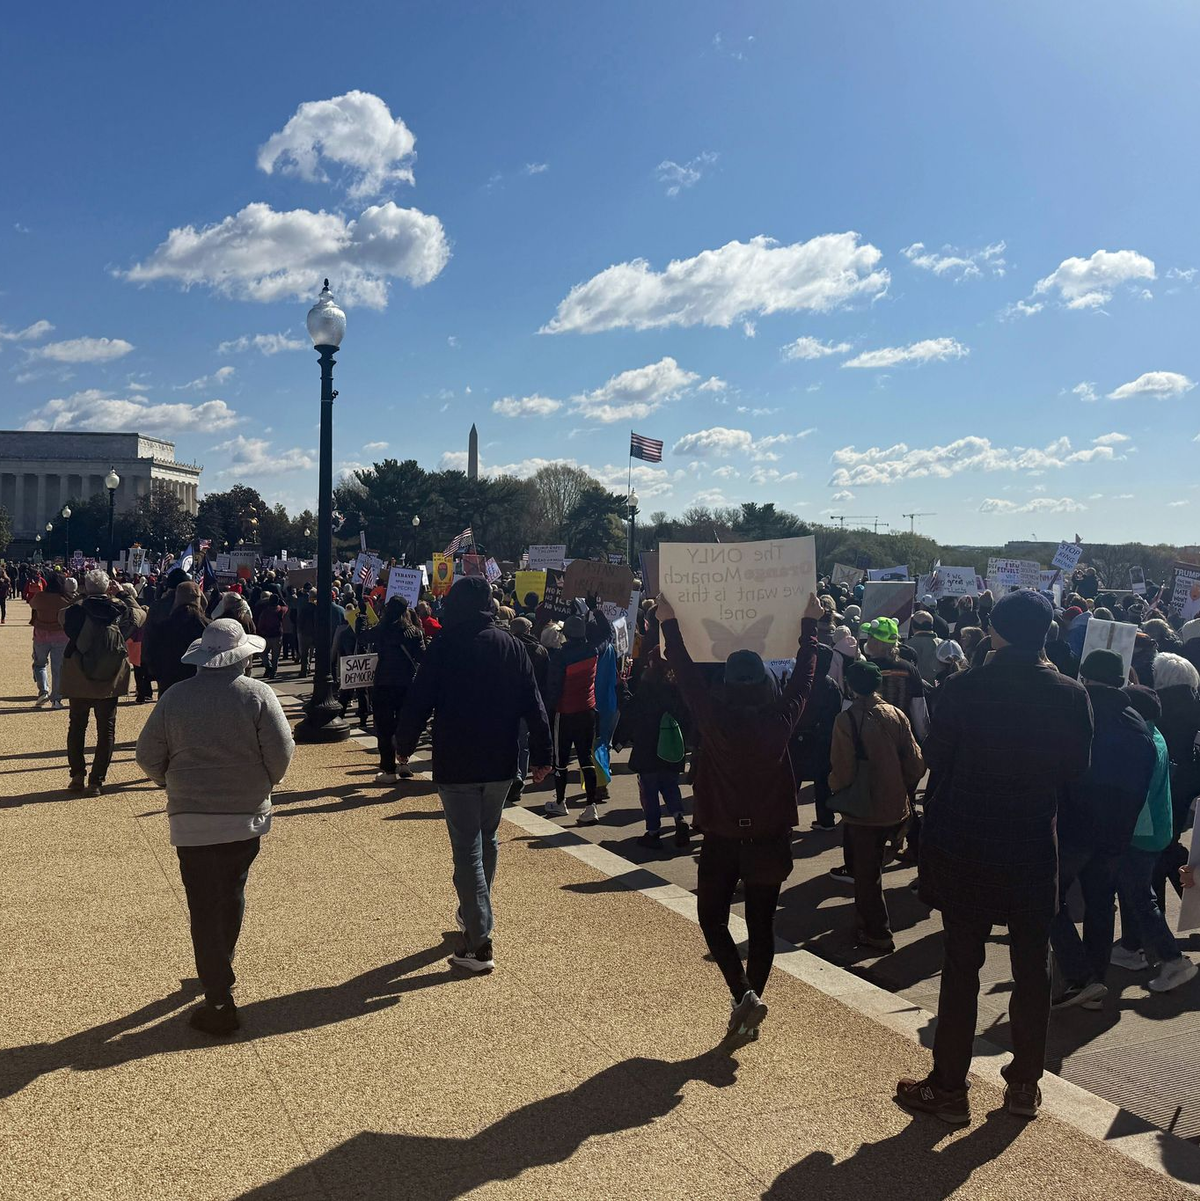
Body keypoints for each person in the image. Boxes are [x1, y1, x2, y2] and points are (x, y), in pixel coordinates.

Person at [899, 590, 1093, 1124]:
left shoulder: (963, 687)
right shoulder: (1070, 693)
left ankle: (949, 1087)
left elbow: (937, 757)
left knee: (962, 965)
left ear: (997, 631)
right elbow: (1076, 769)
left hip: (968, 842)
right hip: (1032, 842)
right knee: (1033, 968)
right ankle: (1024, 1086)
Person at [656, 591, 822, 1044]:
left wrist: (669, 622)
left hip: (722, 837)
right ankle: (749, 1004)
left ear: (726, 685)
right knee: (762, 925)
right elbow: (804, 680)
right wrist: (810, 629)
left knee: (712, 918)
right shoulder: (779, 720)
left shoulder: (714, 718)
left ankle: (742, 995)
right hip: (769, 837)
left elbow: (688, 676)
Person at [136, 619, 294, 1036]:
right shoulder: (256, 694)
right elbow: (281, 752)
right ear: (241, 657)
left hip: (191, 818)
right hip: (244, 814)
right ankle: (219, 969)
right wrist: (264, 781)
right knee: (231, 891)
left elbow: (147, 755)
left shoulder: (175, 697)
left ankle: (218, 989)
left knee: (203, 904)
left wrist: (169, 780)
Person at [393, 577, 552, 973]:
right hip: (500, 760)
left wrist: (404, 743)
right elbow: (534, 703)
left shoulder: (444, 646)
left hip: (458, 759)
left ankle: (479, 941)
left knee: (467, 848)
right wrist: (543, 753)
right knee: (487, 837)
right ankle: (472, 910)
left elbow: (419, 698)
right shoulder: (513, 646)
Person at [1051, 649, 1157, 1010]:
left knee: (1046, 897)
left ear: (1087, 677)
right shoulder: (1138, 723)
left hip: (1073, 828)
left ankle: (1079, 974)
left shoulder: (1077, 710)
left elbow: (1064, 769)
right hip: (1117, 833)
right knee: (1100, 904)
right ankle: (1095, 982)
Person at [829, 660, 926, 952]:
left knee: (866, 873)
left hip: (864, 809)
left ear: (850, 686)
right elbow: (916, 763)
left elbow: (843, 769)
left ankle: (876, 931)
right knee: (878, 865)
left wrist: (836, 790)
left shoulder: (846, 720)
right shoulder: (896, 714)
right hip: (896, 804)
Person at [1111, 685, 1198, 992]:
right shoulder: (1155, 735)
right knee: (1137, 890)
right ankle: (1131, 947)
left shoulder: (1139, 739)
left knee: (1140, 897)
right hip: (1157, 828)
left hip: (1141, 831)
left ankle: (1174, 961)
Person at [60, 569, 146, 795]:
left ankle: (77, 774)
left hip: (79, 673)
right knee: (106, 729)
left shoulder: (76, 611)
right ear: (109, 587)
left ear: (86, 587)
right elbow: (140, 615)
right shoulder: (119, 609)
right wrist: (125, 595)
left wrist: (81, 596)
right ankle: (96, 780)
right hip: (110, 675)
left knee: (77, 725)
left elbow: (62, 617)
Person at [623, 609, 690, 849]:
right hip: (671, 739)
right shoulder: (678, 681)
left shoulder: (647, 686)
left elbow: (634, 711)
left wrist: (622, 736)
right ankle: (679, 817)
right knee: (670, 784)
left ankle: (653, 831)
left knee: (649, 788)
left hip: (648, 742)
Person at [543, 613, 601, 825]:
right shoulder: (593, 650)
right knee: (586, 758)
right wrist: (595, 610)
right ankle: (591, 806)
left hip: (565, 711)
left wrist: (548, 712)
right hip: (588, 709)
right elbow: (604, 632)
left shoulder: (560, 656)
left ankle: (560, 802)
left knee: (561, 761)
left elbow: (554, 687)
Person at [362, 596, 425, 784]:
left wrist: (361, 623)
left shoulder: (382, 630)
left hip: (384, 683)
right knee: (405, 725)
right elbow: (422, 656)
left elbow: (363, 637)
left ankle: (388, 769)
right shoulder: (415, 632)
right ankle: (404, 760)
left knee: (384, 728)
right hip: (407, 684)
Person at [508, 615, 549, 805]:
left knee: (511, 740)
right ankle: (520, 778)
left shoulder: (509, 648)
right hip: (532, 700)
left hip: (511, 699)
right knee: (523, 742)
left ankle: (513, 776)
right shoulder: (540, 650)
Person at [155, 582, 210, 694]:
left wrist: (159, 674)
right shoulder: (208, 627)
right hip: (199, 682)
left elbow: (150, 653)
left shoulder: (163, 625)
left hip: (169, 681)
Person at [29, 571, 71, 709]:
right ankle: (56, 699)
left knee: (40, 664)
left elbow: (32, 605)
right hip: (60, 634)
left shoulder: (40, 597)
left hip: (41, 634)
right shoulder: (64, 599)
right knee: (58, 668)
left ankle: (43, 691)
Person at [905, 611, 943, 687]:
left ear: (913, 626)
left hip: (917, 690)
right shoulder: (942, 644)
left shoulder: (908, 646)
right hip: (940, 690)